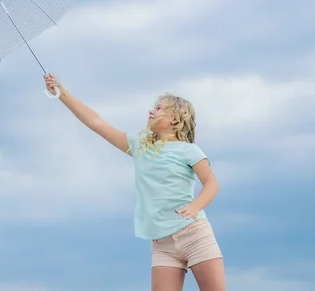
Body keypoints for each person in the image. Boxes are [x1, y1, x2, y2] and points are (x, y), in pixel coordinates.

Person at [44, 74, 226, 291]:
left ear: (175, 119)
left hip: (195, 235)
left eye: (159, 108)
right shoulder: (141, 148)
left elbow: (211, 184)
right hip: (162, 243)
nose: (151, 111)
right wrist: (62, 94)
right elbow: (96, 123)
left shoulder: (189, 150)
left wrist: (196, 206)